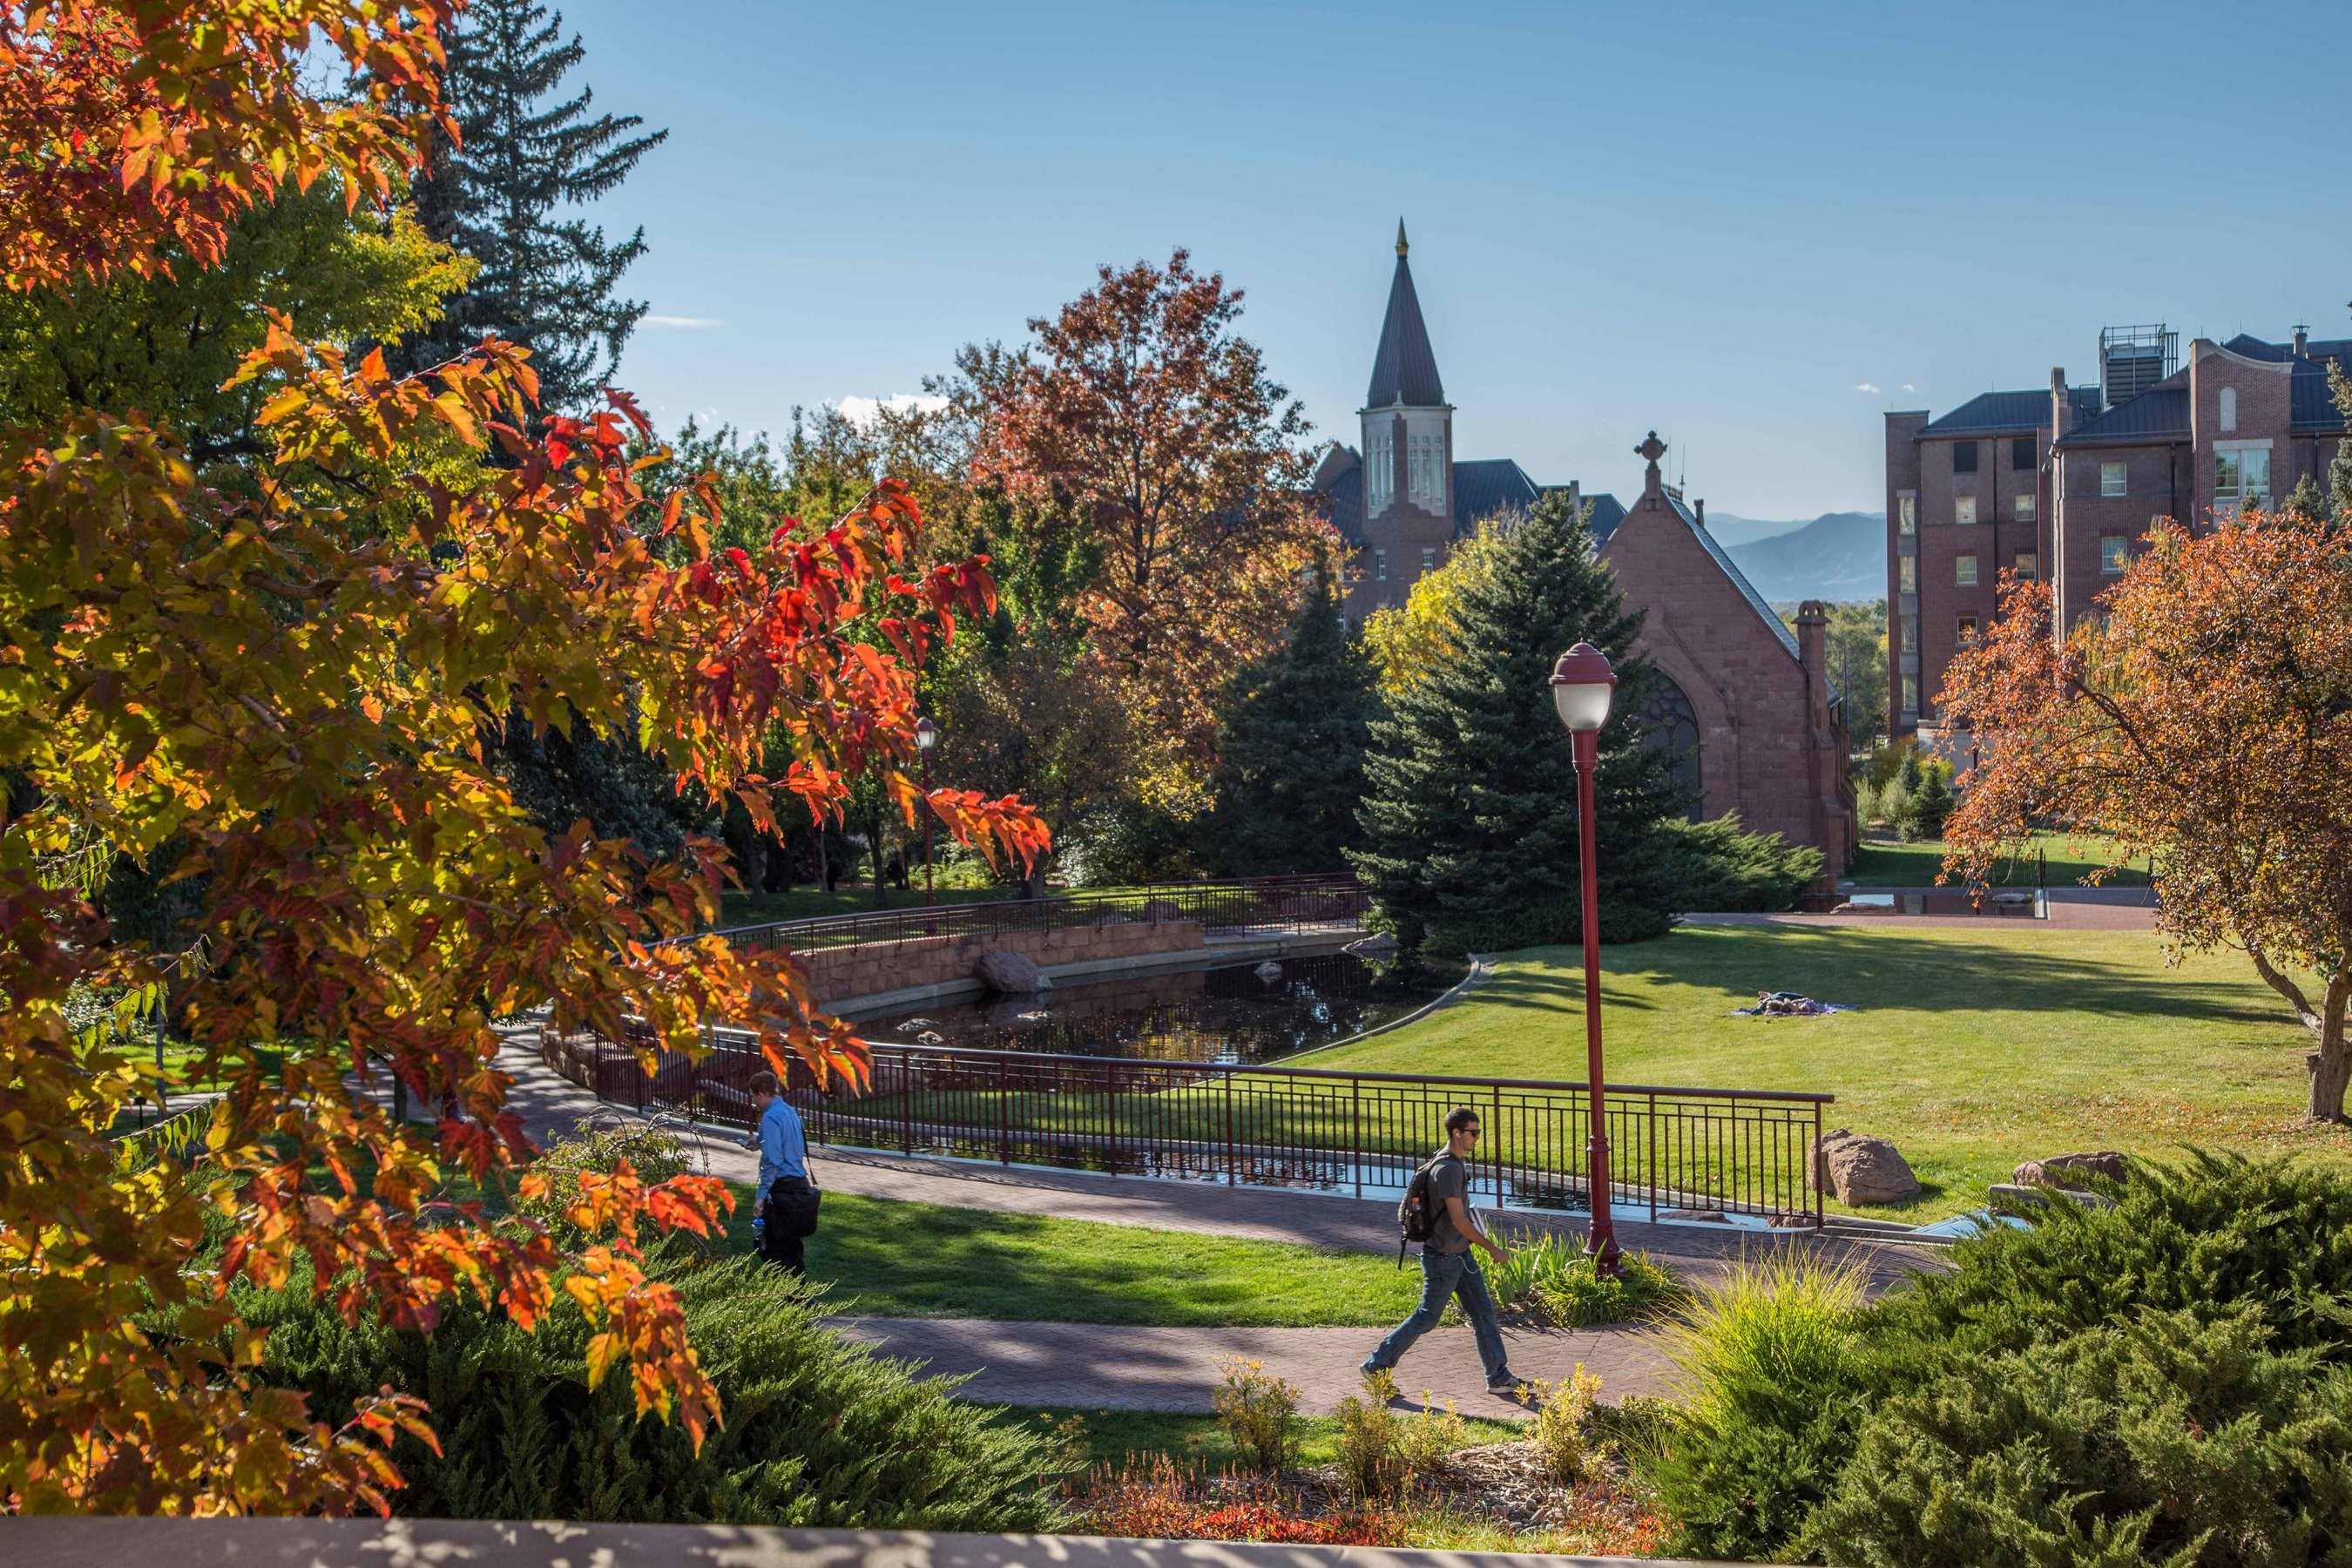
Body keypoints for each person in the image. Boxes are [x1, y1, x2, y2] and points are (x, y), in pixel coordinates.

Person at [1362, 1106, 1527, 1397]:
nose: (1477, 1138)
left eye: (1478, 1132)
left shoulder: (1449, 1161)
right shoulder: (1448, 1169)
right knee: (1427, 1317)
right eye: (1473, 1132)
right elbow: (1459, 1220)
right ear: (1457, 1133)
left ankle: (1498, 1376)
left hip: (1459, 1255)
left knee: (1483, 1312)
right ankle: (1377, 1364)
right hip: (1444, 1258)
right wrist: (1492, 1249)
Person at [741, 1071, 815, 1276]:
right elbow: (789, 1145)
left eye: (754, 1097)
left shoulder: (770, 1117)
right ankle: (798, 1293)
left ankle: (790, 1294)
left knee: (770, 1244)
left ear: (762, 1093)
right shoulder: (790, 1112)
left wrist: (760, 1196)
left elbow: (773, 1162)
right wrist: (761, 1143)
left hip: (782, 1186)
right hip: (799, 1182)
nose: (755, 1102)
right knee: (791, 1243)